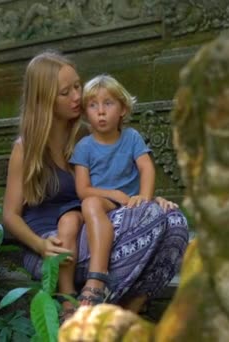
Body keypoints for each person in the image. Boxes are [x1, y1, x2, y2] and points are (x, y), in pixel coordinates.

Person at [2, 50, 189, 322]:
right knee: (153, 220)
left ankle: (119, 317)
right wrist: (41, 245)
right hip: (54, 247)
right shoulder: (26, 148)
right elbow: (10, 215)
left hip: (93, 233)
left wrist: (147, 198)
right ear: (44, 99)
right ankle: (78, 305)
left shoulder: (87, 137)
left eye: (77, 85)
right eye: (66, 92)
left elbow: (113, 186)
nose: (78, 96)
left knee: (175, 223)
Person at [68, 74, 159, 305]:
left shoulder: (131, 137)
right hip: (105, 202)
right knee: (89, 203)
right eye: (92, 105)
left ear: (123, 109)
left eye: (108, 103)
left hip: (130, 203)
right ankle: (96, 277)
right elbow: (83, 190)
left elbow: (146, 168)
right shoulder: (84, 147)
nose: (100, 111)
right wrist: (112, 194)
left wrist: (145, 199)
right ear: (85, 113)